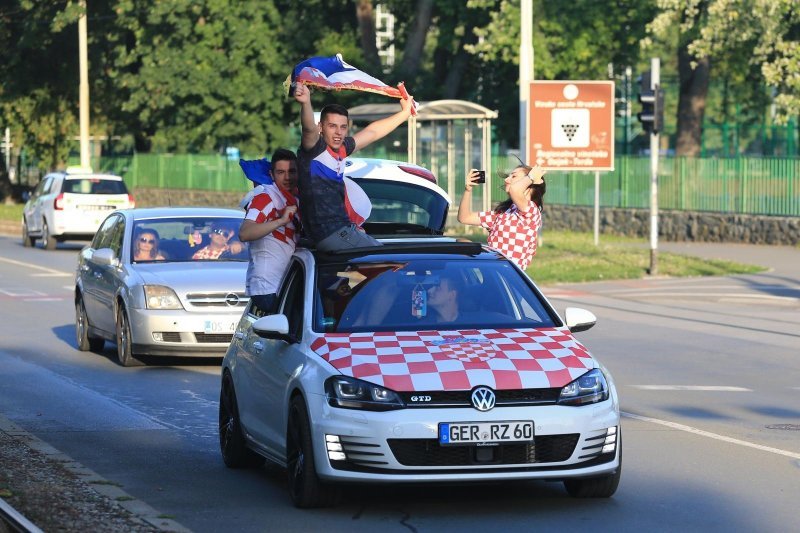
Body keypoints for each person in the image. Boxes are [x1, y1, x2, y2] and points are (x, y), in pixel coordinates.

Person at [293, 82, 414, 251]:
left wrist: (405, 113)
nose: (338, 132)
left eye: (343, 127)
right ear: (320, 127)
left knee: (382, 265)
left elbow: (372, 132)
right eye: (332, 126)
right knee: (387, 260)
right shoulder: (315, 149)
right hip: (331, 232)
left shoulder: (342, 148)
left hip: (339, 232)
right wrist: (306, 102)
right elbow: (308, 130)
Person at [238, 148, 299, 314]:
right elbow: (245, 233)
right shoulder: (266, 197)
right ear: (272, 175)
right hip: (269, 289)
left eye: (292, 171)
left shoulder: (294, 199)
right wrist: (280, 221)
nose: (287, 177)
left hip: (284, 285)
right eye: (281, 172)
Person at [457, 165, 547, 271]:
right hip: (492, 271)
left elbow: (515, 190)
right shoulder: (505, 212)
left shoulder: (532, 211)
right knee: (460, 242)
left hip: (509, 275)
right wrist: (468, 189)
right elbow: (464, 217)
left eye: (513, 176)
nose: (506, 179)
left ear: (530, 184)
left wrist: (531, 177)